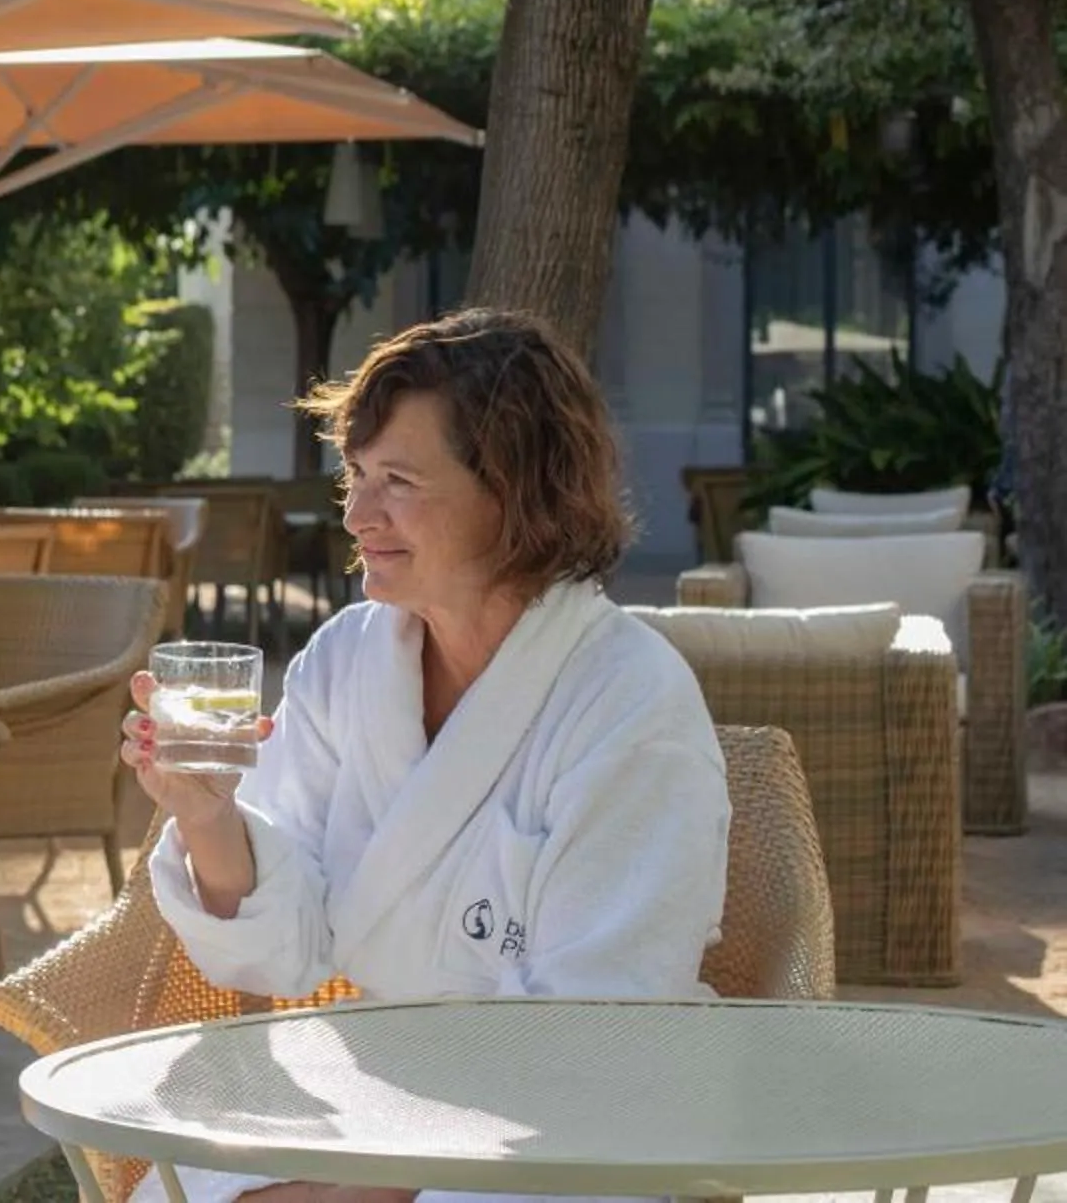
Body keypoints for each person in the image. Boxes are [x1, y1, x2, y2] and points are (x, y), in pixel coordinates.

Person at [121, 309, 729, 1203]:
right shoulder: (347, 661)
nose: (358, 516)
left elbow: (601, 1027)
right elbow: (288, 951)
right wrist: (207, 815)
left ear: (515, 492)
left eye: (398, 481)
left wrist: (382, 1181)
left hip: (582, 1122)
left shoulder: (630, 703)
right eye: (357, 478)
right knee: (183, 1185)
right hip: (382, 1082)